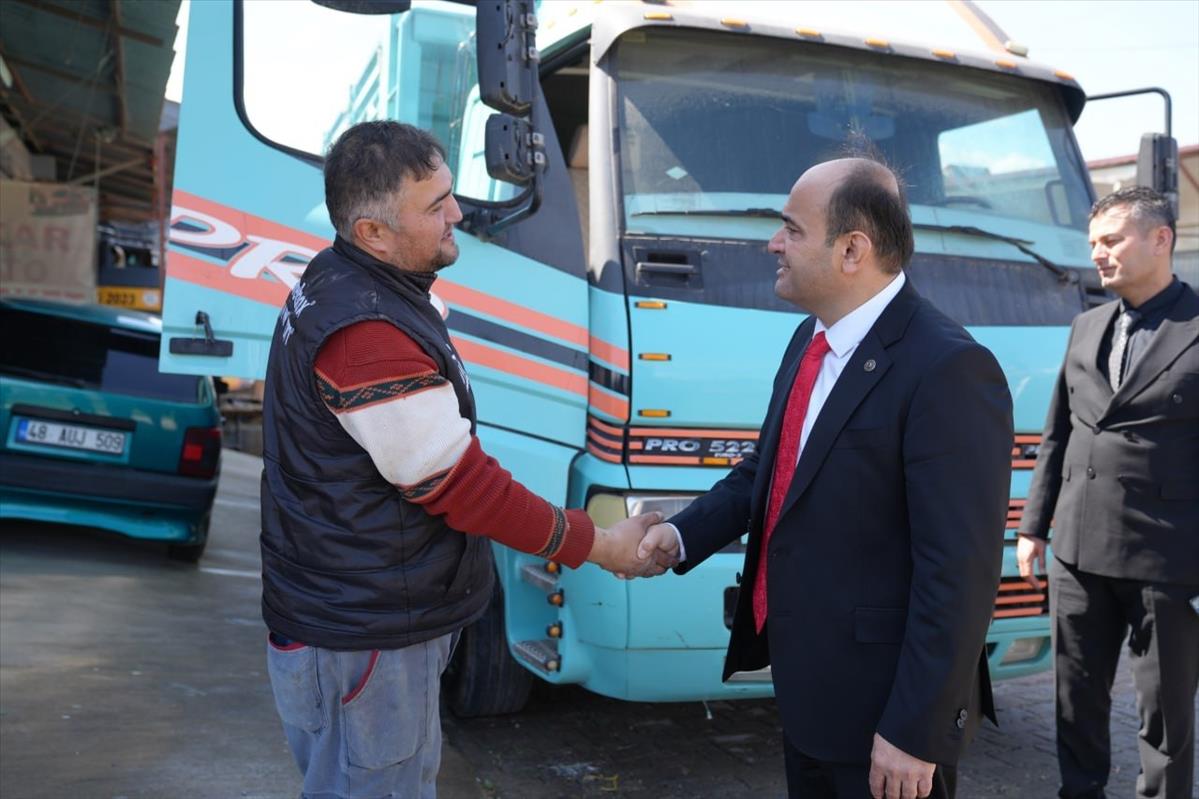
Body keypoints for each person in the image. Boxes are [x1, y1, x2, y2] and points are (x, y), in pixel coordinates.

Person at [258, 121, 659, 799]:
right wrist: (597, 543)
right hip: (366, 636)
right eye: (435, 205)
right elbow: (461, 485)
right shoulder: (366, 331)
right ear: (373, 233)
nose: (458, 214)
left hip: (358, 618)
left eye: (450, 192)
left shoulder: (347, 279)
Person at [638, 157, 1013, 799]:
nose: (773, 243)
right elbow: (770, 472)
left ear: (851, 250)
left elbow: (959, 572)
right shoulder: (809, 341)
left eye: (792, 229)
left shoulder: (948, 367)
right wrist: (677, 536)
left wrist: (915, 731)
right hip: (811, 695)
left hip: (886, 722)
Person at [1017, 186, 1199, 799]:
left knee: (1164, 713)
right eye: (1093, 242)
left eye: (1112, 240)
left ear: (1161, 239)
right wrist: (1033, 525)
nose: (1098, 254)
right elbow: (1058, 432)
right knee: (1075, 699)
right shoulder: (1087, 324)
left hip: (1166, 558)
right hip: (1076, 548)